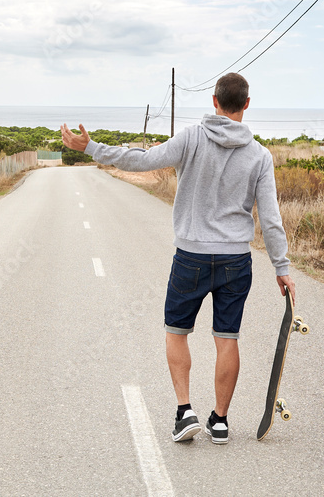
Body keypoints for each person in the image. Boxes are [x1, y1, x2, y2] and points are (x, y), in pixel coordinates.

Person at [60, 72, 293, 444]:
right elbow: (271, 217)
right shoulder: (260, 156)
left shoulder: (191, 138)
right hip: (236, 262)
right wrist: (281, 267)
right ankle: (220, 421)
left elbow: (141, 160)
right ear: (247, 104)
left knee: (177, 331)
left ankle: (185, 412)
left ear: (214, 101)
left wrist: (91, 148)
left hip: (191, 257)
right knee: (227, 338)